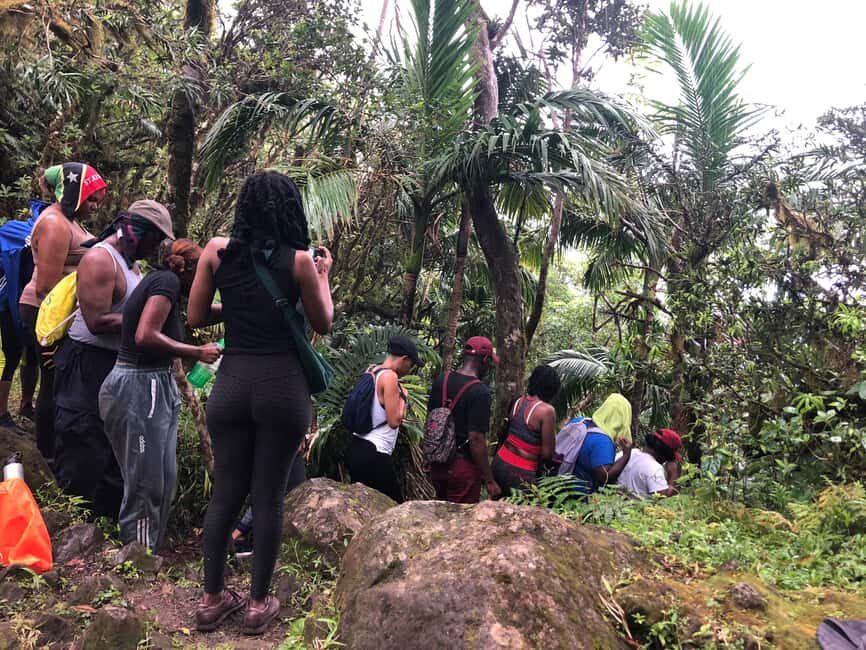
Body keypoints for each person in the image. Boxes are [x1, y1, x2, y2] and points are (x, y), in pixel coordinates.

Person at [188, 170, 333, 635]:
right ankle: (256, 605)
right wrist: (324, 275)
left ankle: (211, 601)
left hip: (231, 386)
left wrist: (240, 302)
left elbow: (194, 316)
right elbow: (323, 322)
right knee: (268, 496)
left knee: (227, 492)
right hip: (282, 387)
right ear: (291, 211)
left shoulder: (214, 250)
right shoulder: (299, 263)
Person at [53, 200, 174, 518]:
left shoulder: (131, 264)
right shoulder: (100, 259)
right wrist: (147, 320)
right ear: (136, 231)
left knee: (112, 443)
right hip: (86, 362)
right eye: (155, 238)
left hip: (115, 363)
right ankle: (70, 521)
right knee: (83, 438)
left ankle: (102, 522)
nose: (157, 246)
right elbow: (96, 321)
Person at [99, 239, 221, 551]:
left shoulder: (170, 287)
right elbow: (144, 334)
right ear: (191, 270)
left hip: (155, 383)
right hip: (138, 386)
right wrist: (196, 350)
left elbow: (202, 313)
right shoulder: (164, 282)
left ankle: (149, 548)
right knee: (146, 480)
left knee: (164, 477)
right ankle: (136, 556)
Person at [19, 163, 105, 459]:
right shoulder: (55, 223)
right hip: (45, 312)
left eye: (97, 200)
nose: (94, 206)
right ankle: (47, 454)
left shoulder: (72, 221)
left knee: (58, 380)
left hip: (61, 314)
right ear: (72, 192)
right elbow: (46, 286)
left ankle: (53, 449)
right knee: (53, 380)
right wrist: (53, 336)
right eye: (90, 198)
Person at [344, 335, 424, 503]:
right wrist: (403, 398)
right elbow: (394, 421)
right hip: (374, 453)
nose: (410, 369)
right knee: (394, 508)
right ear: (404, 359)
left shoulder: (372, 370)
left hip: (358, 447)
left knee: (365, 508)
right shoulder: (390, 377)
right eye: (411, 364)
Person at [428, 336, 500, 503]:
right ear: (485, 359)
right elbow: (476, 439)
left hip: (437, 463)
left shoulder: (441, 380)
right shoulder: (480, 392)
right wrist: (489, 480)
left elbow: (431, 421)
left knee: (440, 513)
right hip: (462, 468)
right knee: (459, 521)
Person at [0, 200, 44, 430]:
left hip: (30, 303)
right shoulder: (16, 232)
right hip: (6, 301)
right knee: (10, 355)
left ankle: (26, 405)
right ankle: (1, 413)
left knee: (32, 354)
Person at [490, 365, 560, 496]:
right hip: (520, 472)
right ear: (552, 389)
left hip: (499, 462)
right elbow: (547, 454)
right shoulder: (546, 411)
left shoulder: (518, 401)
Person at [569, 393, 634, 494]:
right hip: (579, 496)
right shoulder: (603, 442)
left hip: (558, 484)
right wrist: (626, 455)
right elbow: (604, 478)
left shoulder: (579, 422)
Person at [616, 428, 683, 497]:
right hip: (638, 507)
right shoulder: (655, 468)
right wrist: (673, 474)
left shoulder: (625, 453)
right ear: (666, 454)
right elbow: (664, 500)